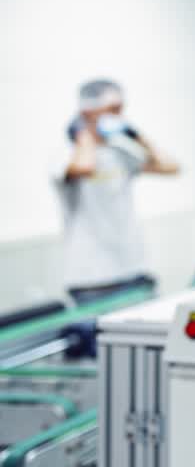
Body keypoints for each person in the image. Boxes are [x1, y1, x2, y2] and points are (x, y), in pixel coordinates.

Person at [51, 79, 179, 304]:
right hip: (91, 278)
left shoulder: (119, 151)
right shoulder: (64, 153)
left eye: (121, 110)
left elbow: (170, 166)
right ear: (87, 111)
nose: (119, 115)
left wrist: (136, 136)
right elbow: (84, 167)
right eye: (112, 110)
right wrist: (84, 133)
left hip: (134, 269)